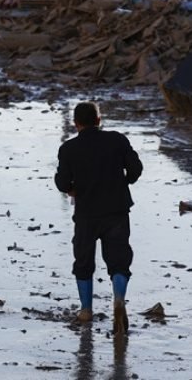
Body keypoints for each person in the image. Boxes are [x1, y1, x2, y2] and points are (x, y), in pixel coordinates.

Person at [54, 101, 142, 335]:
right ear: (99, 120)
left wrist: (72, 189)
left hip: (86, 214)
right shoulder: (117, 140)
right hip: (117, 210)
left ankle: (86, 310)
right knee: (119, 260)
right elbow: (136, 169)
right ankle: (119, 300)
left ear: (76, 124)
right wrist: (123, 182)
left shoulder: (69, 149)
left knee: (83, 262)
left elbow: (62, 182)